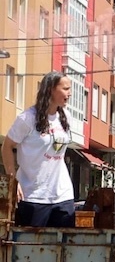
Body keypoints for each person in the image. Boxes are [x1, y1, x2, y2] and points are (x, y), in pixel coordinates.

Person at [1, 71, 75, 227]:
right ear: (50, 90)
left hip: (63, 195)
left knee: (64, 248)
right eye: (66, 89)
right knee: (32, 248)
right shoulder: (27, 118)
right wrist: (13, 181)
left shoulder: (66, 116)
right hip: (33, 196)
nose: (70, 93)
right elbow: (7, 147)